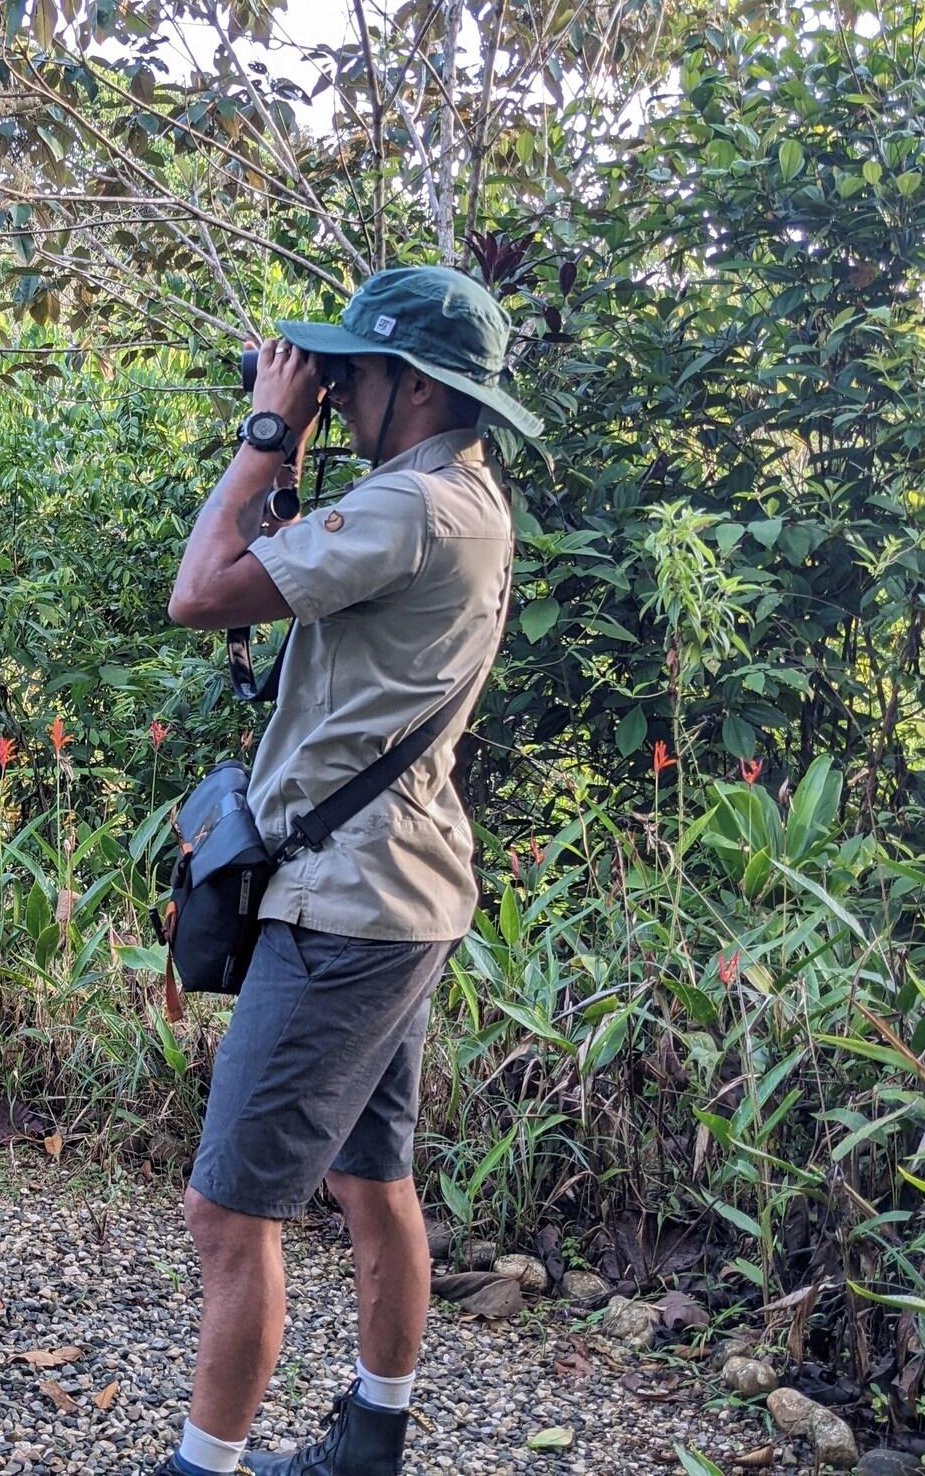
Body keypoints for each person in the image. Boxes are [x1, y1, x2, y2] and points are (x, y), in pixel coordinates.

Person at [156, 266, 541, 1476]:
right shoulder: (447, 495)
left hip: (347, 909)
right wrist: (296, 454)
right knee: (372, 1177)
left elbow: (197, 590)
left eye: (348, 373)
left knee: (227, 1213)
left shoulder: (413, 505)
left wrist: (267, 436)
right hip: (396, 891)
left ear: (411, 391)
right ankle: (371, 1432)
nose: (329, 387)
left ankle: (201, 1466)